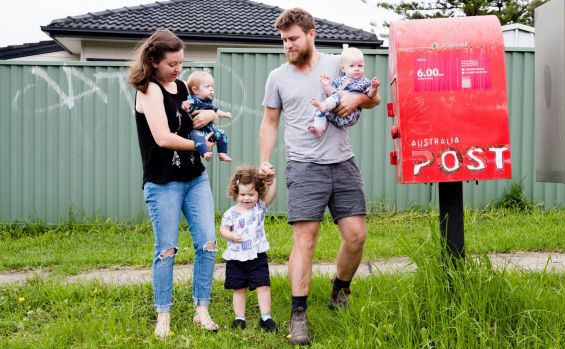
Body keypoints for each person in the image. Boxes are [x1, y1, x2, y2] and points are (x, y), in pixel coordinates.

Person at [258, 8, 380, 346]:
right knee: (305, 240)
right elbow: (269, 122)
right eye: (283, 40)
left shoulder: (338, 64)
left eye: (293, 38)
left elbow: (374, 98)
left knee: (356, 236)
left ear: (311, 34)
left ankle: (340, 290)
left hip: (343, 162)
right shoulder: (277, 77)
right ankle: (299, 315)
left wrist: (356, 98)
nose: (288, 46)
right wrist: (264, 160)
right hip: (303, 165)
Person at [128, 29, 220, 339]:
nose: (178, 69)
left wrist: (208, 116)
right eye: (172, 63)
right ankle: (163, 314)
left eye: (181, 62)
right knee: (166, 250)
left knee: (207, 242)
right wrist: (199, 147)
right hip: (163, 181)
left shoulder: (181, 87)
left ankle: (201, 310)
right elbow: (164, 138)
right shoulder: (148, 91)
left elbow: (196, 117)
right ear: (154, 61)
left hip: (195, 178)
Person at [219, 166, 277, 332]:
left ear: (258, 193)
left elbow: (271, 194)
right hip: (236, 259)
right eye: (242, 194)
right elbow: (223, 229)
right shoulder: (231, 213)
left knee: (263, 286)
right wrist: (231, 236)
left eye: (251, 194)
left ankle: (266, 318)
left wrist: (272, 181)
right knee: (238, 289)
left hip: (257, 256)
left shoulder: (259, 208)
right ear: (236, 193)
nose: (247, 198)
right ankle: (239, 318)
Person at [308, 47, 380, 138]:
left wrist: (374, 88)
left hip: (351, 116)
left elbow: (371, 95)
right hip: (335, 116)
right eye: (352, 66)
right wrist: (327, 85)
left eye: (360, 66)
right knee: (320, 110)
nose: (357, 69)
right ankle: (319, 129)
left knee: (336, 96)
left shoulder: (364, 82)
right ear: (343, 68)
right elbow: (332, 94)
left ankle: (324, 106)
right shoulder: (339, 81)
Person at [183, 71, 233, 162]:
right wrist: (185, 106)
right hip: (197, 130)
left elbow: (216, 111)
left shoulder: (208, 101)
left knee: (222, 133)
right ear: (195, 90)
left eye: (212, 87)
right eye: (207, 86)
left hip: (209, 129)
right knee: (197, 137)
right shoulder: (193, 100)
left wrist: (225, 114)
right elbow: (187, 108)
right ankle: (205, 152)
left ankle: (222, 153)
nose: (211, 89)